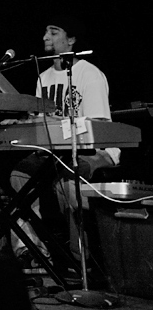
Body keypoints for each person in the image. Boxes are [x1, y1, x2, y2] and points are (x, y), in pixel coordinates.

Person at [9, 15, 118, 274]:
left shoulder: (89, 74)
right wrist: (25, 123)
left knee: (70, 182)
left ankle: (82, 261)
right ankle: (31, 253)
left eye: (54, 31)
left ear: (71, 40)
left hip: (90, 152)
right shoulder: (42, 77)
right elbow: (42, 124)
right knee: (18, 176)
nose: (45, 37)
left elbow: (100, 128)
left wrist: (64, 125)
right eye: (45, 31)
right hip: (54, 154)